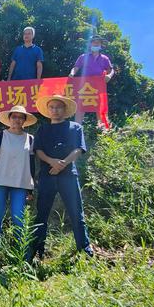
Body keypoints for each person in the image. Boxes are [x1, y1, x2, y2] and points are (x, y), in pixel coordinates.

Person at [31, 94, 93, 259]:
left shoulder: (75, 127)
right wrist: (52, 162)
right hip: (47, 176)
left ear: (65, 110)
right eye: (51, 107)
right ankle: (37, 252)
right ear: (48, 110)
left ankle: (85, 251)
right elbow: (38, 150)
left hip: (69, 176)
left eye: (58, 107)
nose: (55, 110)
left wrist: (63, 164)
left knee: (76, 214)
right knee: (41, 214)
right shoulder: (43, 129)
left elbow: (78, 149)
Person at [0, 105, 37, 249]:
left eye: (20, 117)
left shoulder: (30, 139)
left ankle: (18, 249)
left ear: (24, 120)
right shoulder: (1, 136)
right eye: (14, 116)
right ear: (9, 119)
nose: (17, 119)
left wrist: (31, 189)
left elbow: (32, 164)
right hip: (0, 181)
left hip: (21, 184)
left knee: (18, 217)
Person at [69, 35, 115, 125]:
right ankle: (77, 129)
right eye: (94, 42)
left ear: (101, 45)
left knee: (100, 108)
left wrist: (109, 76)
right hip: (85, 86)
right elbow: (76, 67)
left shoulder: (105, 58)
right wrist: (72, 73)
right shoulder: (83, 56)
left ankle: (103, 130)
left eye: (98, 42)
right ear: (90, 44)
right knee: (80, 108)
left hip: (99, 87)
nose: (96, 44)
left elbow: (111, 70)